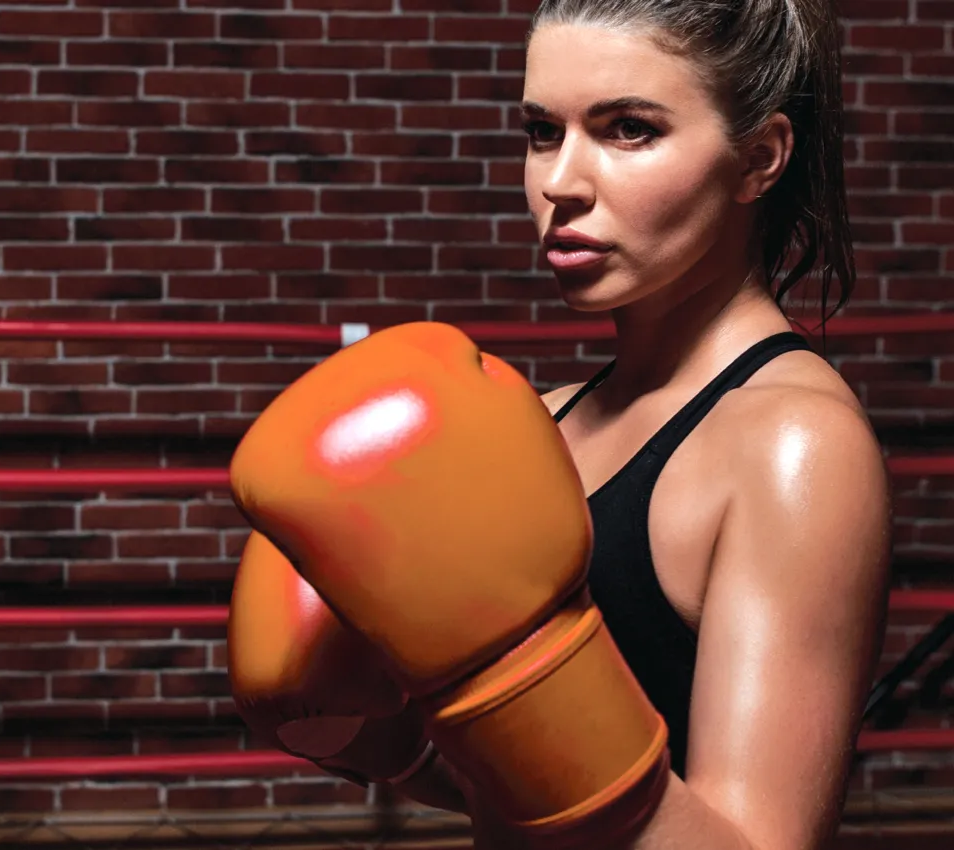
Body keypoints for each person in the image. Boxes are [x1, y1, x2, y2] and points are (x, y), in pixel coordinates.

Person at [227, 0, 891, 847]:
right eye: (543, 132)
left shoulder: (792, 447)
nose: (560, 184)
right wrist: (385, 742)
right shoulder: (539, 422)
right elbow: (528, 804)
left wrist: (529, 676)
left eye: (628, 131)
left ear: (759, 158)